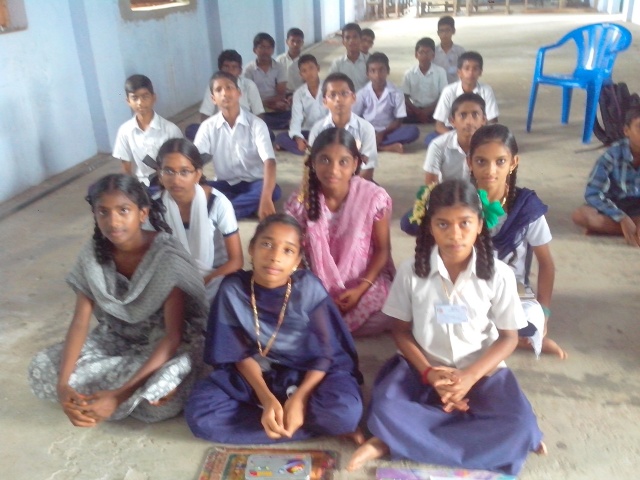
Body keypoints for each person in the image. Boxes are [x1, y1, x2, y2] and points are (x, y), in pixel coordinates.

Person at [347, 179, 545, 475]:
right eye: (443, 224)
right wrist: (429, 373)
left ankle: (395, 442)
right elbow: (400, 330)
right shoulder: (412, 271)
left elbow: (508, 338)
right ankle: (391, 440)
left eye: (465, 223)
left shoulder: (500, 275)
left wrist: (469, 377)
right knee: (385, 409)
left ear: (480, 225)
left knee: (520, 426)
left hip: (482, 372)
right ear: (429, 227)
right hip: (421, 369)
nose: (455, 234)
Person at [28, 174, 208, 426]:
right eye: (103, 212)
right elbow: (80, 323)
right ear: (95, 214)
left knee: (162, 390)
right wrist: (63, 386)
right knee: (43, 368)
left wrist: (118, 395)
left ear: (142, 213)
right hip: (116, 337)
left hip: (163, 342)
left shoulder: (166, 257)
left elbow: (173, 337)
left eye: (123, 210)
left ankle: (120, 394)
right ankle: (119, 393)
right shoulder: (93, 254)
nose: (113, 221)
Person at [184, 214, 364, 444]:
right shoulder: (233, 289)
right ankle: (300, 424)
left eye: (288, 250)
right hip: (256, 375)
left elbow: (326, 354)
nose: (275, 257)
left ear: (297, 260)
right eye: (267, 244)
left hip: (308, 372)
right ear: (252, 248)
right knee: (201, 416)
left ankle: (291, 416)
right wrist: (267, 399)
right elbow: (236, 354)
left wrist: (300, 398)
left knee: (344, 412)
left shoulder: (308, 288)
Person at [468, 124, 566, 359]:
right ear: (469, 162)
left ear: (513, 163)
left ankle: (510, 337)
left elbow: (546, 264)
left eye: (500, 161)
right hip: (469, 291)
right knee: (445, 315)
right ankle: (512, 340)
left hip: (515, 296)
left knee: (529, 318)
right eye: (481, 161)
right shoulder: (460, 202)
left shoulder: (526, 208)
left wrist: (544, 312)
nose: (490, 170)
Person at [285, 128, 394, 336]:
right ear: (312, 162)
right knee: (282, 301)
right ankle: (330, 325)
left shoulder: (374, 197)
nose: (333, 170)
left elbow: (383, 250)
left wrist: (360, 290)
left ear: (355, 164)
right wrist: (317, 294)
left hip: (363, 282)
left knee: (393, 311)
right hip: (316, 285)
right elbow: (292, 255)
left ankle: (326, 326)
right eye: (325, 160)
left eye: (343, 162)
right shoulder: (299, 202)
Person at [156, 138, 244, 302]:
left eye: (184, 172)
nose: (176, 180)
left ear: (197, 174)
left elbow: (236, 260)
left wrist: (201, 281)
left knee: (231, 295)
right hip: (173, 276)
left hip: (215, 274)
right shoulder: (154, 207)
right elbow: (150, 256)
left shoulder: (218, 203)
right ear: (159, 175)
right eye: (168, 171)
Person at [194, 71, 280, 220]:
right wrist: (196, 183)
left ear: (239, 93)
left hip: (254, 183)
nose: (225, 93)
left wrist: (266, 198)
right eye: (218, 90)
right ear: (213, 99)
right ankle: (241, 208)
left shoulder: (257, 124)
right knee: (196, 190)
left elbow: (269, 162)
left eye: (229, 87)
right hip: (224, 183)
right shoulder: (207, 127)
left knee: (273, 191)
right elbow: (194, 160)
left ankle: (219, 213)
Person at [400, 93, 487, 235]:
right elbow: (430, 185)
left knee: (495, 222)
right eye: (463, 115)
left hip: (478, 199)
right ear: (452, 121)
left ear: (484, 120)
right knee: (409, 224)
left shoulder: (490, 147)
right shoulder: (438, 145)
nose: (469, 121)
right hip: (446, 198)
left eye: (475, 115)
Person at [572, 105, 640, 247]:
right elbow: (593, 194)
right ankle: (629, 228)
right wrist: (621, 218)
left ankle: (617, 229)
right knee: (580, 215)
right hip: (615, 204)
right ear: (626, 131)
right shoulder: (612, 155)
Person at [113, 74, 183, 187]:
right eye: (134, 98)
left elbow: (181, 164)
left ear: (154, 98)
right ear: (128, 101)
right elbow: (126, 169)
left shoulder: (171, 130)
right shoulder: (125, 131)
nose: (140, 103)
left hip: (170, 183)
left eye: (145, 97)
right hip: (143, 185)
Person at [308, 73, 378, 181]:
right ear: (325, 102)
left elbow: (368, 170)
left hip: (358, 182)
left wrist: (346, 187)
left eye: (344, 93)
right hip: (327, 181)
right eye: (332, 95)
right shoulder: (318, 129)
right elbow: (312, 165)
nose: (338, 99)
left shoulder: (366, 128)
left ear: (353, 98)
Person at [186, 50, 265, 141]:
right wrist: (210, 132)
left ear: (240, 71)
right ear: (220, 69)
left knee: (266, 133)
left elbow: (259, 112)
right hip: (220, 129)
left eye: (234, 67)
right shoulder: (213, 86)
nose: (230, 71)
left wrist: (256, 131)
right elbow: (205, 114)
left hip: (245, 128)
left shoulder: (249, 85)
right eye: (226, 67)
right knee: (191, 129)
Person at [353, 52, 420, 153]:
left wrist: (382, 133)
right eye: (373, 71)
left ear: (388, 71)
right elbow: (355, 117)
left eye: (381, 70)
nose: (377, 75)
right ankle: (385, 147)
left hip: (388, 131)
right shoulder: (362, 94)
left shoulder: (396, 93)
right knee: (346, 132)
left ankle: (370, 145)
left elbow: (398, 120)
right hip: (367, 131)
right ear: (367, 74)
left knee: (413, 131)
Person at [433, 51, 499, 136]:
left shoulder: (486, 90)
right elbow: (439, 125)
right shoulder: (449, 91)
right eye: (467, 68)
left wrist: (478, 136)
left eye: (475, 69)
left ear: (480, 72)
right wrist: (457, 138)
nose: (471, 73)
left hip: (478, 131)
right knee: (431, 139)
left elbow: (492, 121)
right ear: (459, 72)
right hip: (453, 131)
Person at [275, 54, 327, 156]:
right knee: (281, 137)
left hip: (327, 132)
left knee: (337, 138)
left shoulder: (329, 88)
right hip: (308, 131)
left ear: (318, 68)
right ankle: (310, 148)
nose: (309, 73)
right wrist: (298, 139)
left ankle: (311, 149)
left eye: (311, 68)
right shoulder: (299, 93)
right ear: (301, 74)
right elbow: (296, 119)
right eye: (304, 71)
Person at [244, 32, 290, 130]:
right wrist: (265, 103)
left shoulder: (279, 67)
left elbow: (281, 93)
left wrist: (273, 104)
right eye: (261, 47)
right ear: (254, 50)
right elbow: (248, 96)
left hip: (276, 104)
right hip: (256, 105)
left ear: (273, 50)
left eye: (268, 48)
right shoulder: (249, 70)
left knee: (290, 110)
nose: (265, 51)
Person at [402, 37, 448, 124]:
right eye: (421, 52)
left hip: (434, 108)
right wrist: (418, 112)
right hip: (415, 109)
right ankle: (422, 118)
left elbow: (443, 95)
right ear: (416, 55)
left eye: (428, 52)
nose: (424, 56)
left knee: (447, 112)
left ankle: (424, 119)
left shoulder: (440, 72)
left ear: (433, 55)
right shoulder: (409, 73)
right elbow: (405, 96)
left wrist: (427, 111)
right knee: (400, 113)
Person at [329, 23, 368, 92]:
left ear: (361, 39)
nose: (351, 41)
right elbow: (331, 84)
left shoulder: (368, 61)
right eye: (347, 38)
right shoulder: (337, 64)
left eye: (355, 37)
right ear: (343, 42)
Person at [433, 15, 466, 84]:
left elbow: (465, 70)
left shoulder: (460, 51)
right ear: (438, 33)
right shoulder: (433, 52)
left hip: (455, 86)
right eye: (441, 31)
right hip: (437, 86)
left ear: (453, 31)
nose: (444, 34)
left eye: (447, 30)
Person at [276, 27, 305, 94]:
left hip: (301, 93)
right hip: (283, 93)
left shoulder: (305, 60)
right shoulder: (279, 60)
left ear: (302, 43)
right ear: (287, 42)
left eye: (298, 41)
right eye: (292, 41)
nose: (295, 44)